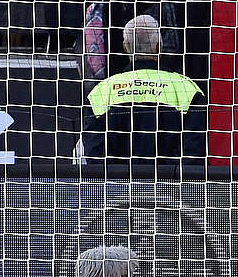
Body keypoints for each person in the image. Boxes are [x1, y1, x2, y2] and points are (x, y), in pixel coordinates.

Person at [83, 15, 204, 170]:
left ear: (125, 47)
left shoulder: (100, 94)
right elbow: (192, 156)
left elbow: (96, 159)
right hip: (171, 191)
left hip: (118, 192)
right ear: (159, 46)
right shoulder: (187, 90)